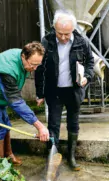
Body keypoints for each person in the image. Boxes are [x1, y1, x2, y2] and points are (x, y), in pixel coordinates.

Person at [0, 42, 49, 166]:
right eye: (33, 65)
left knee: (5, 124)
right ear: (23, 56)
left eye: (38, 65)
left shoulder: (22, 58)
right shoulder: (7, 69)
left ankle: (8, 155)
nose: (34, 68)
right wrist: (39, 126)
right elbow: (15, 101)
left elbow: (13, 95)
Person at [35, 10, 94, 171]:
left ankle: (71, 156)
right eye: (59, 33)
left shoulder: (82, 42)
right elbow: (40, 69)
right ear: (54, 29)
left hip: (74, 90)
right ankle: (52, 156)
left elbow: (90, 62)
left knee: (73, 123)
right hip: (54, 91)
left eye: (66, 34)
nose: (62, 37)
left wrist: (87, 77)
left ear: (73, 29)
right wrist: (40, 93)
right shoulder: (46, 42)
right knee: (53, 124)